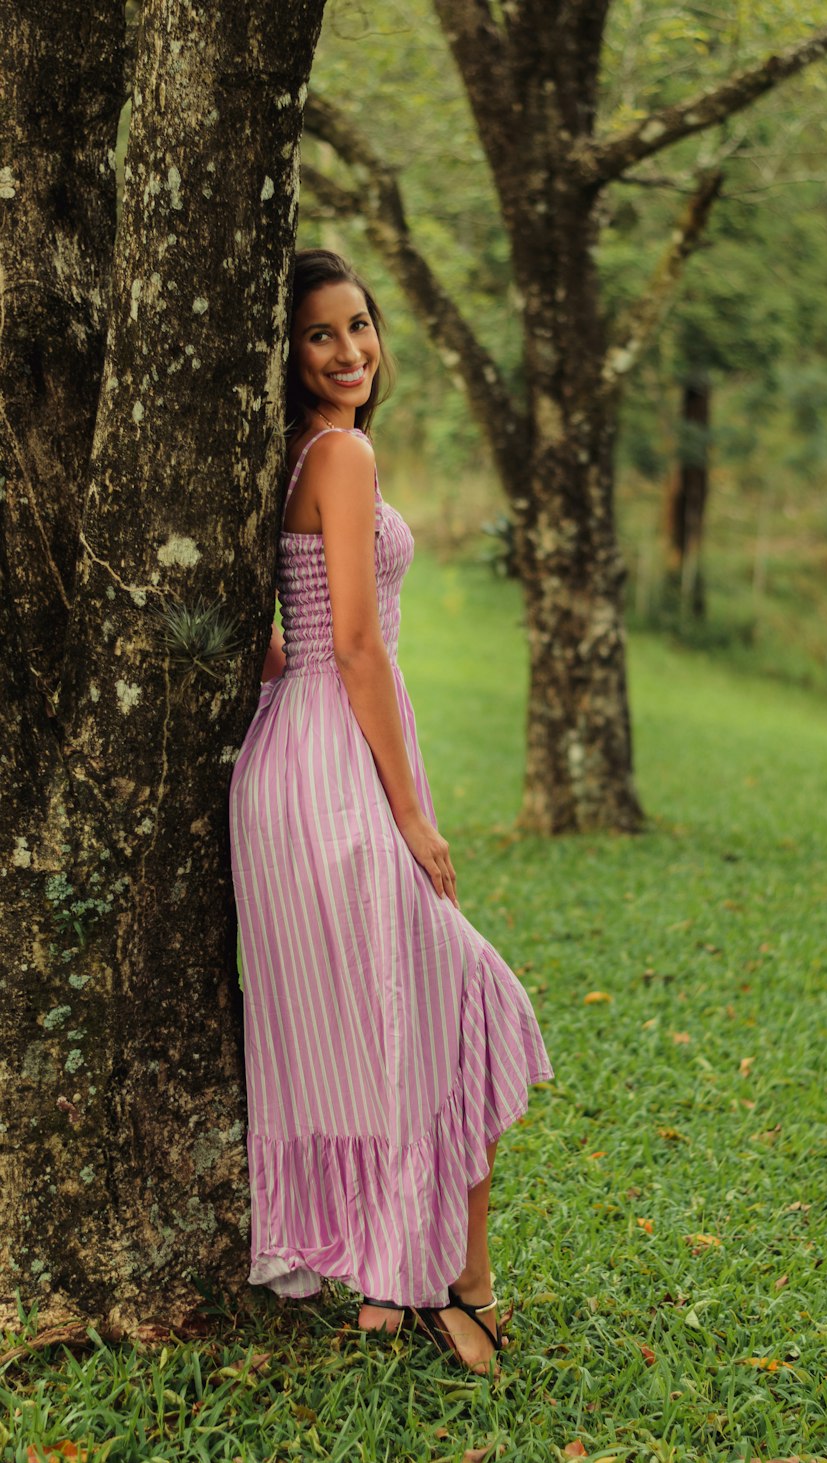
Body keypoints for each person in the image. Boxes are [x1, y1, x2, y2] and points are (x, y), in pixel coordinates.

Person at [228, 248, 553, 1375]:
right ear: (289, 356)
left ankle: (387, 1279)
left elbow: (273, 629)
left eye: (360, 325)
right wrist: (413, 817)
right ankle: (457, 1282)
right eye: (320, 335)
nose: (351, 351)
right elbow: (359, 645)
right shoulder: (345, 452)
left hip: (285, 759)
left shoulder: (278, 458)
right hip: (338, 763)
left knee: (365, 1023)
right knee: (461, 999)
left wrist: (295, 667)